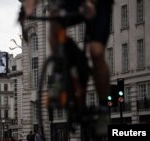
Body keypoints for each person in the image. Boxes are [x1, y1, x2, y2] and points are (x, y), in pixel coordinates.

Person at [23, 0, 113, 137]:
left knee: (96, 51)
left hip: (98, 4)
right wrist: (28, 10)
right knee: (55, 23)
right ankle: (61, 74)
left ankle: (103, 108)